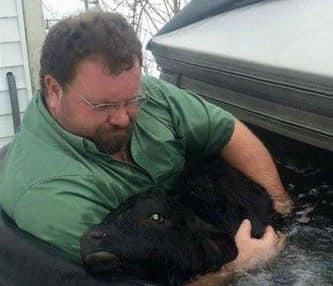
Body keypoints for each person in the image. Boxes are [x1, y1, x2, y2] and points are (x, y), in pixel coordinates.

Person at [0, 11, 291, 269]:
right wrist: (238, 267)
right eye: (104, 106)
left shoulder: (138, 92)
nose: (123, 118)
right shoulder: (48, 194)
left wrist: (281, 213)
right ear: (53, 90)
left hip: (190, 218)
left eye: (132, 100)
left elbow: (229, 132)